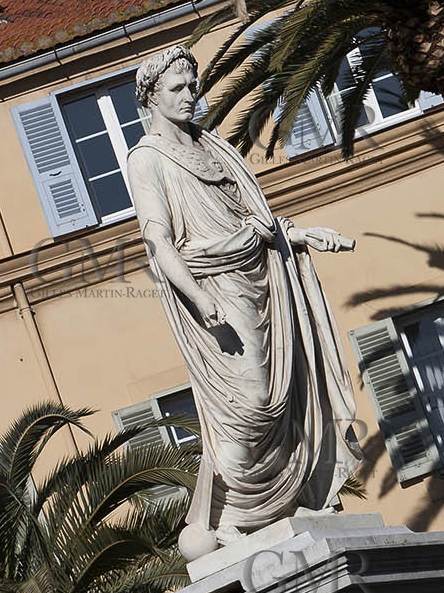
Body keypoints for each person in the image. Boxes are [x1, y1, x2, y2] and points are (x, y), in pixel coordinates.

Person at [127, 45, 361, 559]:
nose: (191, 96)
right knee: (250, 402)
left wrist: (301, 235)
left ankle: (292, 500)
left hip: (264, 280)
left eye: (193, 85)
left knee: (290, 391)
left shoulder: (213, 148)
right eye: (178, 89)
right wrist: (198, 295)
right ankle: (231, 515)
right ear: (151, 97)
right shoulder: (147, 160)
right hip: (215, 289)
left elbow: (250, 217)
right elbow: (159, 241)